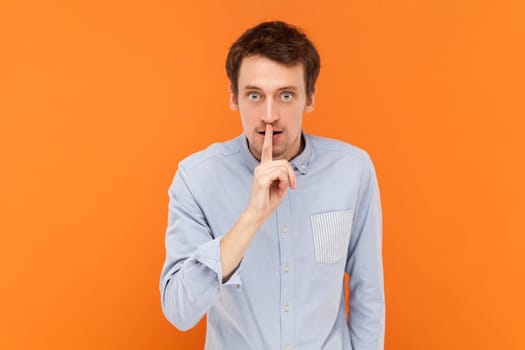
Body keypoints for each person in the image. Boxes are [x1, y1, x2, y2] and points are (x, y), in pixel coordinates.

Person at [160, 21, 385, 350]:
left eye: (286, 95)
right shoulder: (196, 178)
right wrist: (252, 217)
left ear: (309, 98)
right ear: (234, 98)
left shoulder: (353, 170)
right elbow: (179, 310)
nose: (269, 115)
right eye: (254, 95)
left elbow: (369, 297)